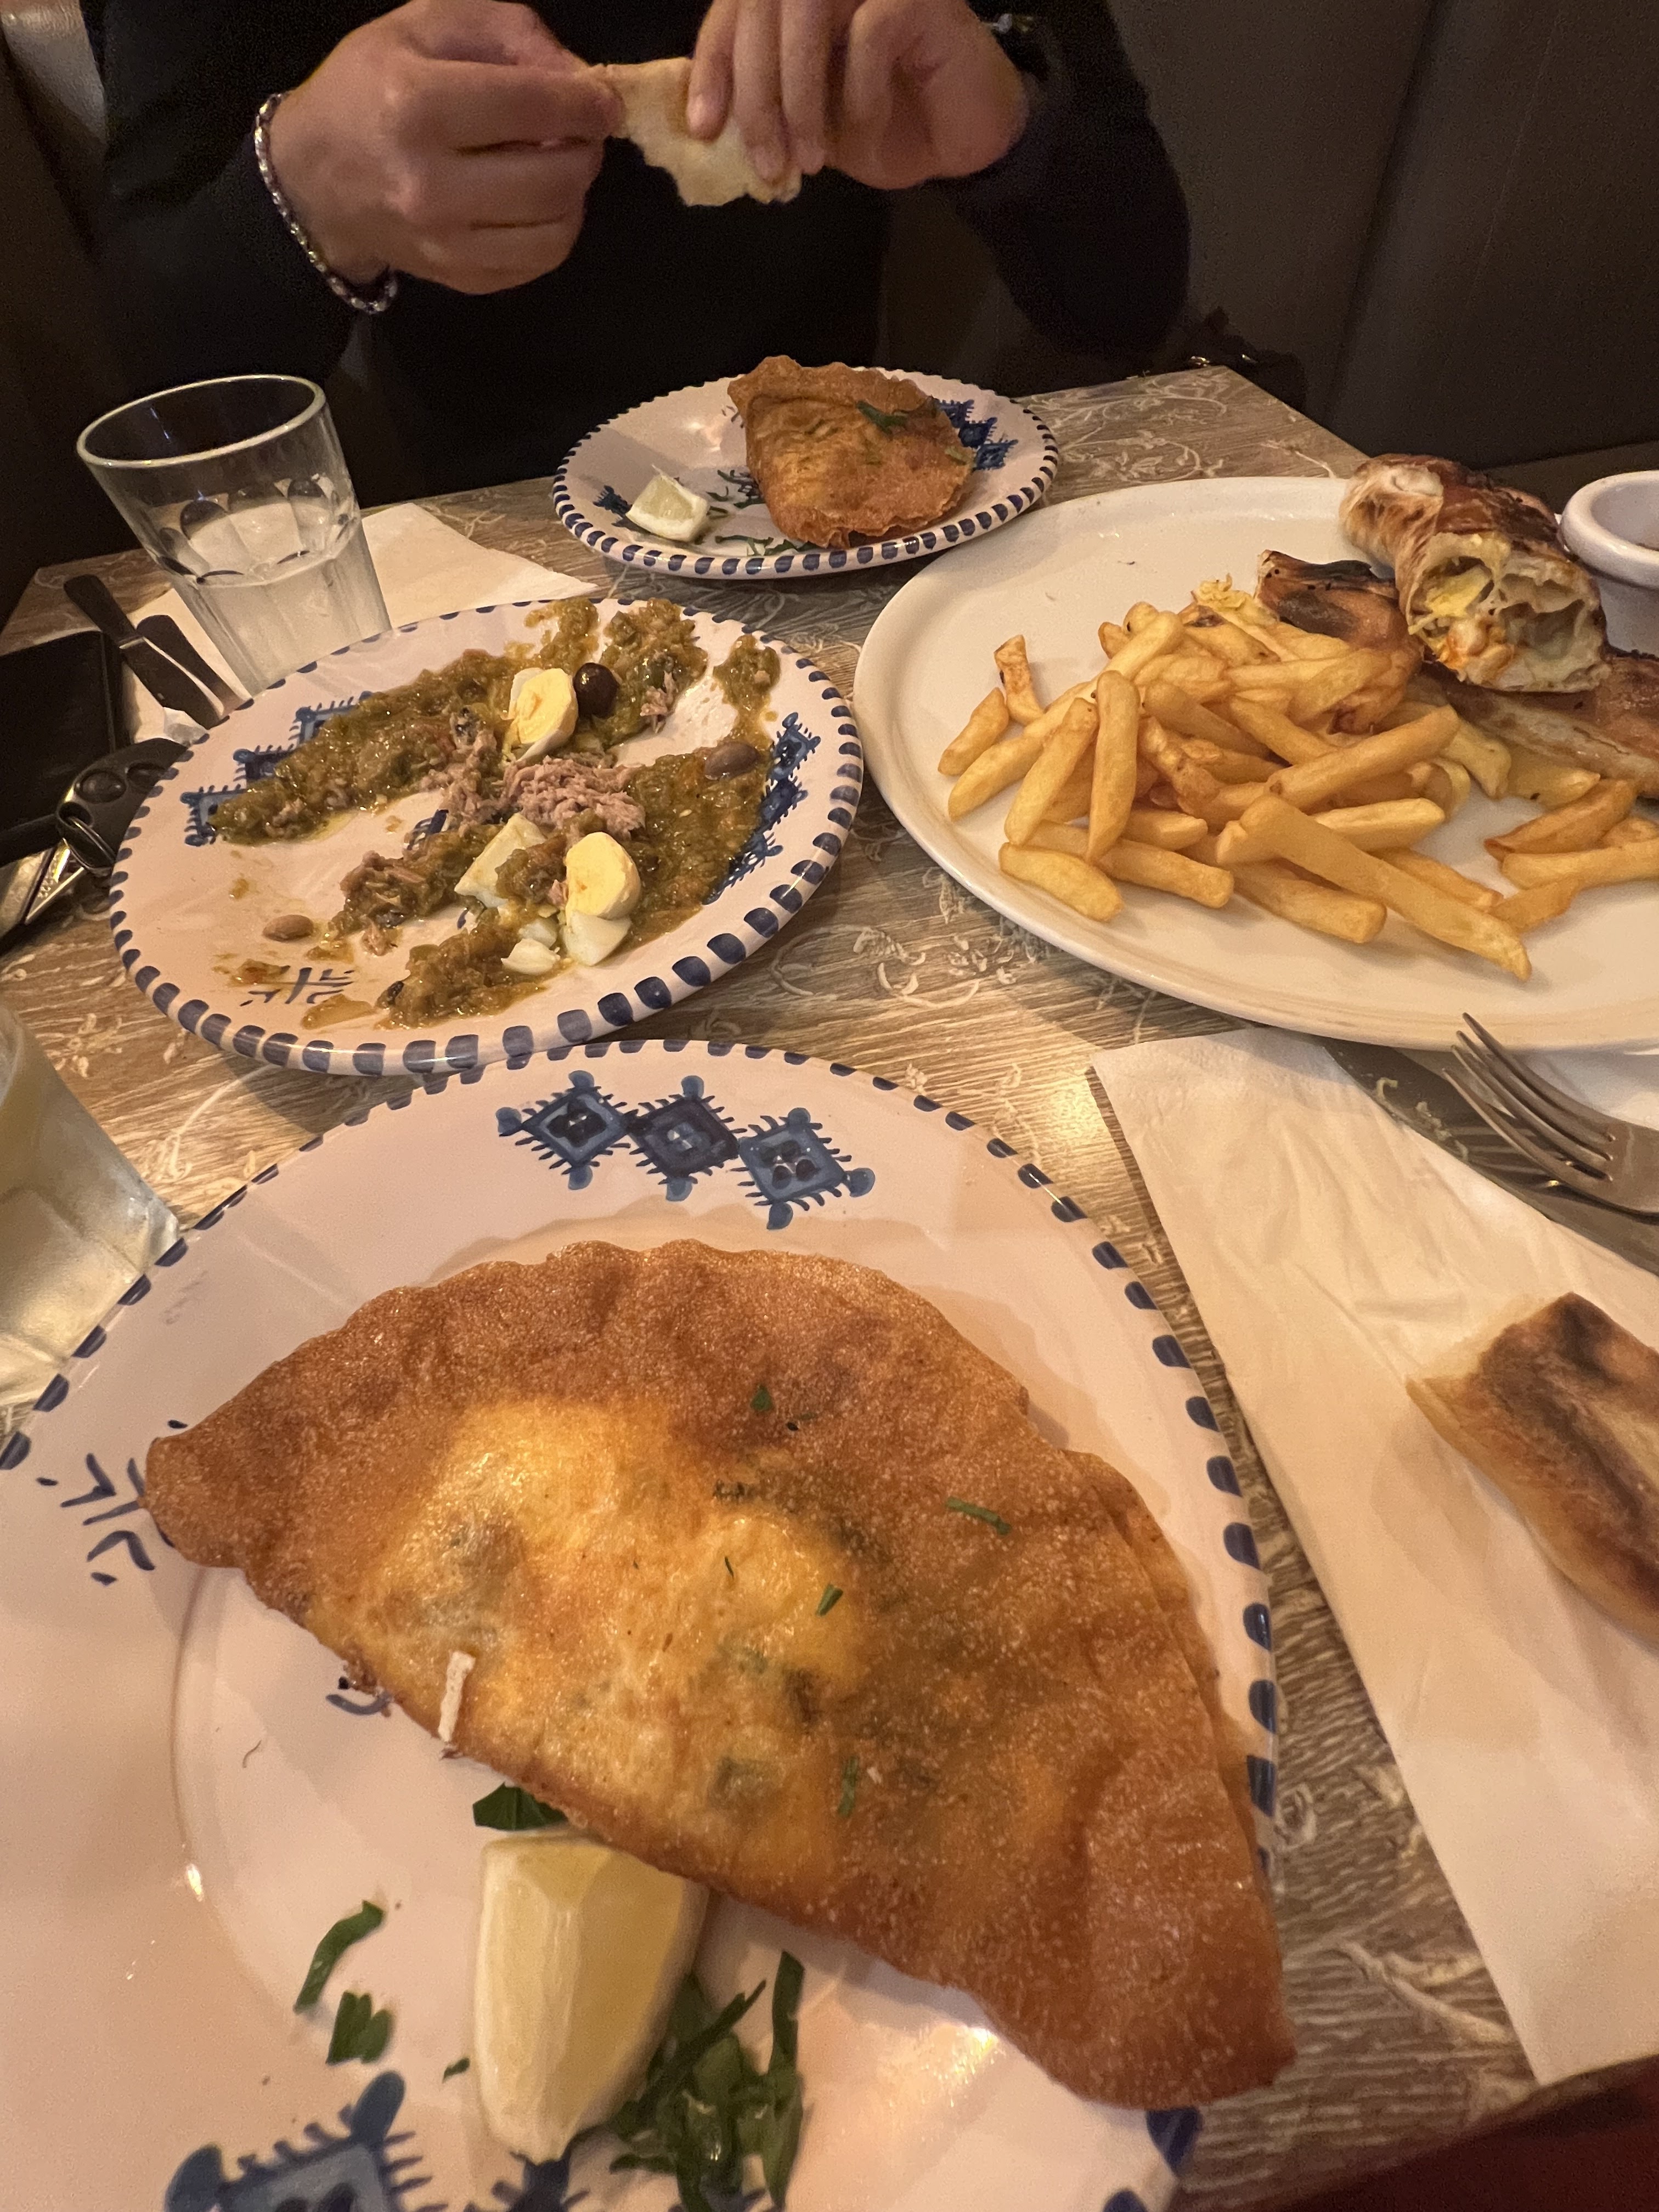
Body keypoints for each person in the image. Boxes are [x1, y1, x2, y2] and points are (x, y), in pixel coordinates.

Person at [82, 0, 1188, 493]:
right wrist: (303, 189)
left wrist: (1011, 128)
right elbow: (165, 406)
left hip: (844, 495)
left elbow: (1133, 295)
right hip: (485, 523)